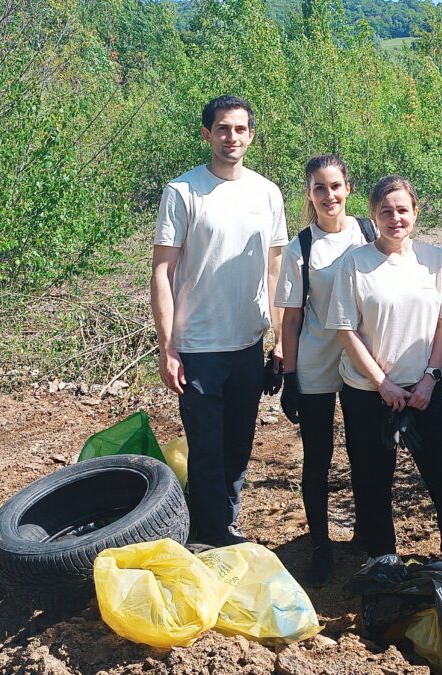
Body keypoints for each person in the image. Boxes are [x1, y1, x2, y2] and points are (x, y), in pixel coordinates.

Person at [150, 95, 288, 547]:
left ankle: (222, 520)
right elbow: (162, 272)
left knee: (238, 448)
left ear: (251, 135)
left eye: (240, 129)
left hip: (248, 343)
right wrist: (167, 346)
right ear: (207, 134)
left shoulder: (267, 193)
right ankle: (213, 538)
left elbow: (274, 269)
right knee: (206, 449)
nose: (232, 138)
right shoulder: (183, 192)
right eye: (223, 129)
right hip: (198, 346)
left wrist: (280, 338)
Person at [325, 174, 442, 560]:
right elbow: (345, 330)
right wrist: (382, 384)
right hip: (369, 393)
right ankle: (382, 560)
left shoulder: (436, 261)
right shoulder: (354, 264)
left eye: (402, 210)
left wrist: (430, 379)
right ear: (373, 216)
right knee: (372, 481)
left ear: (415, 213)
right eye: (385, 211)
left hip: (425, 390)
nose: (395, 218)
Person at [275, 154, 374, 587]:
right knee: (317, 457)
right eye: (319, 188)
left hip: (361, 359)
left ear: (348, 188)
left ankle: (365, 533)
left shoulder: (368, 233)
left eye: (336, 186)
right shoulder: (303, 246)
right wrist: (290, 377)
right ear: (309, 194)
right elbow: (292, 317)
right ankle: (320, 546)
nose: (329, 195)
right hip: (316, 360)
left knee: (364, 452)